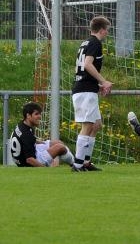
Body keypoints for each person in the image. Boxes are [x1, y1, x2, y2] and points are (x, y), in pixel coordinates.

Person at [71, 15, 113, 172]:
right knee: (88, 125)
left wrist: (97, 84)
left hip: (86, 88)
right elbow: (87, 65)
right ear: (102, 30)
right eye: (107, 30)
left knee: (96, 125)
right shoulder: (95, 43)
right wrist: (103, 81)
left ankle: (86, 162)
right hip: (84, 90)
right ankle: (77, 164)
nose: (107, 33)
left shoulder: (86, 42)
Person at [10, 102, 75, 167]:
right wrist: (44, 169)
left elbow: (24, 141)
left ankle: (75, 162)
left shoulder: (23, 124)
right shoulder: (26, 134)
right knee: (60, 147)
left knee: (57, 142)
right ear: (28, 116)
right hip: (28, 163)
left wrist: (41, 142)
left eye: (40, 114)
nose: (40, 116)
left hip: (21, 157)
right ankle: (75, 164)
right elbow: (29, 160)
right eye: (36, 114)